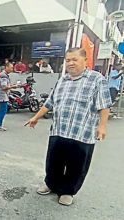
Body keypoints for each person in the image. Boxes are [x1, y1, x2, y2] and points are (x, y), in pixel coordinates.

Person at [25, 47, 111, 206]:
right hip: (59, 130)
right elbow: (50, 102)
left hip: (82, 133)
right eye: (68, 60)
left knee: (76, 166)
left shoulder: (96, 79)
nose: (71, 63)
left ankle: (68, 191)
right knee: (53, 161)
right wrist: (35, 117)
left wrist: (102, 126)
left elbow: (104, 105)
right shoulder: (63, 80)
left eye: (74, 59)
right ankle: (51, 184)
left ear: (85, 60)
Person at [0, 63, 18, 131]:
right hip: (2, 95)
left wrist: (11, 85)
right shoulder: (4, 75)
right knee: (3, 110)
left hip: (2, 95)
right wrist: (12, 86)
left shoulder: (4, 75)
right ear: (6, 67)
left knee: (1, 109)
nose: (12, 69)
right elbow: (4, 87)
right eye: (11, 68)